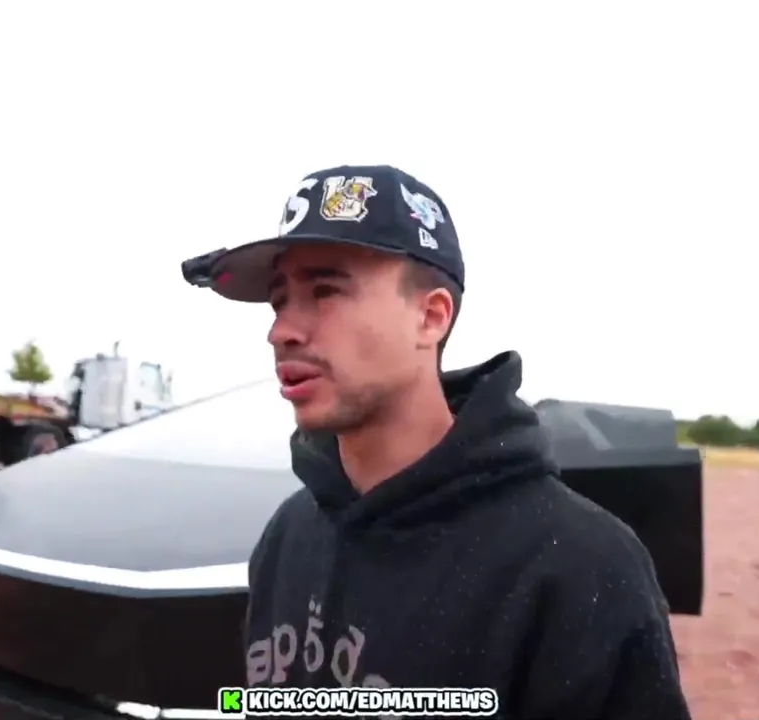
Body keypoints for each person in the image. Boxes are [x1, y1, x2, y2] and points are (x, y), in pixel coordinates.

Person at [196, 165, 691, 718]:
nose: (281, 331)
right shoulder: (288, 535)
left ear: (430, 317)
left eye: (325, 291)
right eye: (280, 301)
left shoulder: (579, 566)